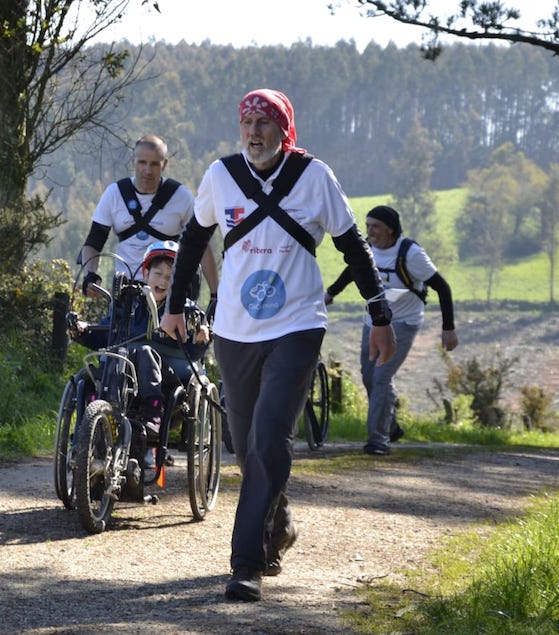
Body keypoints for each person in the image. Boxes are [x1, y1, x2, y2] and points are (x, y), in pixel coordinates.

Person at [160, 88, 396, 603]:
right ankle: (279, 522)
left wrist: (380, 315)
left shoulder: (314, 177)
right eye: (247, 122)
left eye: (264, 122)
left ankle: (245, 564)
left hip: (296, 325)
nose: (254, 131)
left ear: (284, 131)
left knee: (268, 438)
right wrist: (174, 305)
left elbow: (354, 247)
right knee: (245, 446)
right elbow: (195, 239)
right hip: (235, 329)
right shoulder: (221, 175)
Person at [324, 205, 458, 456]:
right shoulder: (368, 248)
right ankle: (391, 426)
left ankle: (378, 440)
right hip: (374, 321)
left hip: (404, 323)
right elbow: (353, 270)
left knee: (381, 377)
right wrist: (331, 293)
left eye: (376, 226)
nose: (370, 231)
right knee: (368, 376)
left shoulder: (411, 254)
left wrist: (448, 328)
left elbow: (442, 287)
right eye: (368, 225)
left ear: (390, 229)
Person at [70, 241, 209, 453]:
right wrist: (82, 331)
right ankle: (91, 418)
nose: (163, 280)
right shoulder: (129, 304)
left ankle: (154, 411)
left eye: (170, 277)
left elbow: (194, 352)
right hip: (126, 368)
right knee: (89, 374)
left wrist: (199, 338)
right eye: (158, 274)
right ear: (145, 274)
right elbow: (106, 335)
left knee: (144, 352)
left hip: (168, 374)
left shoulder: (187, 310)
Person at [78, 134, 218, 304]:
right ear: (133, 161)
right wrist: (90, 274)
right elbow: (94, 241)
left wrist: (215, 294)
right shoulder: (115, 194)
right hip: (126, 290)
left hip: (169, 290)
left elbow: (201, 245)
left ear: (164, 164)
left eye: (154, 164)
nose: (148, 170)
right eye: (142, 162)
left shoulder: (181, 197)